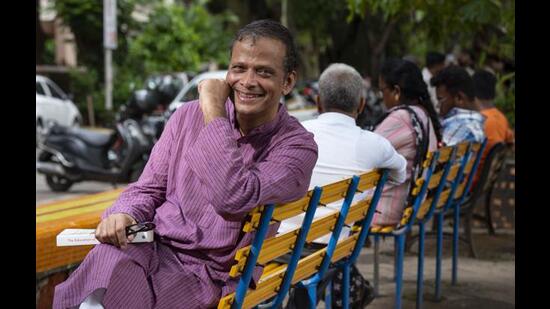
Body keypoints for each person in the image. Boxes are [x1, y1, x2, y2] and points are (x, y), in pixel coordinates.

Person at [53, 19, 319, 309]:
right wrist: (124, 215)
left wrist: (214, 114)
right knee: (106, 259)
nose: (248, 81)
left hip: (210, 275)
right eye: (239, 68)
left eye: (264, 72)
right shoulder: (186, 117)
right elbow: (148, 187)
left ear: (288, 82)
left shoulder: (296, 147)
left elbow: (231, 198)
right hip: (153, 247)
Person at [302, 63, 407, 188]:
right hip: (355, 208)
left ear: (318, 102)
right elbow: (400, 175)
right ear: (361, 105)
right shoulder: (377, 144)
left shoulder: (296, 134)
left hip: (301, 208)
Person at [372, 59, 441, 227]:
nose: (382, 98)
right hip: (411, 204)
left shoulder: (401, 118)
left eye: (382, 91)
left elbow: (365, 152)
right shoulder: (422, 114)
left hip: (386, 210)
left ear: (396, 91)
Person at [472, 69, 514, 183]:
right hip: (485, 183)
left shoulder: (478, 123)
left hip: (469, 183)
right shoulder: (501, 118)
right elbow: (511, 140)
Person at [431, 66, 486, 146]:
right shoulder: (473, 122)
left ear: (459, 98)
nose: (437, 105)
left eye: (440, 100)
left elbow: (440, 156)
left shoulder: (460, 126)